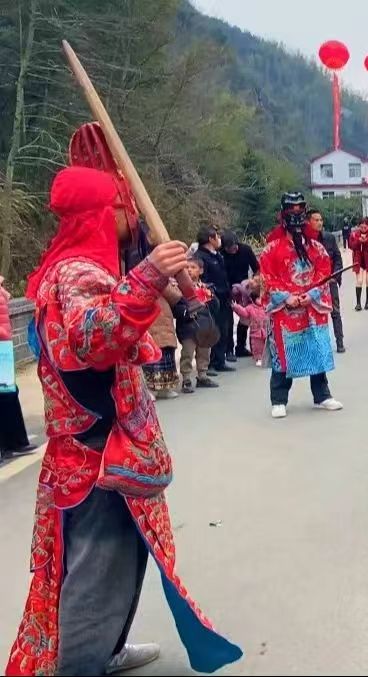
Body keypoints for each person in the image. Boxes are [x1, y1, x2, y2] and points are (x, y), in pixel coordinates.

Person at [8, 165, 241, 676]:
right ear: (98, 214)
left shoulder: (73, 268)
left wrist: (168, 287)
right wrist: (148, 276)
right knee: (99, 571)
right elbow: (92, 340)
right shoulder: (77, 273)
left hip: (96, 446)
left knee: (122, 560)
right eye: (121, 207)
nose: (131, 216)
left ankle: (107, 650)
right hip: (99, 453)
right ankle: (82, 664)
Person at [259, 192, 343, 417]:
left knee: (317, 349)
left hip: (311, 307)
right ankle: (279, 399)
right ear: (283, 214)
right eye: (291, 210)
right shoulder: (271, 249)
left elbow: (324, 272)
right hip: (286, 310)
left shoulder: (316, 247)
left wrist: (312, 294)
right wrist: (286, 297)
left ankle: (322, 395)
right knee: (283, 355)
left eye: (300, 210)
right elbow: (267, 278)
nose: (296, 215)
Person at [0, 275, 35, 458]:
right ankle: (8, 445)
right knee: (6, 395)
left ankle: (15, 442)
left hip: (3, 346)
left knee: (9, 394)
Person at [194, 225, 235, 372]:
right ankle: (209, 364)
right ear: (210, 239)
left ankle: (220, 360)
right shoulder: (200, 257)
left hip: (224, 297)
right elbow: (202, 279)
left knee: (223, 329)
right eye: (217, 236)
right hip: (211, 299)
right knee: (212, 329)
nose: (219, 239)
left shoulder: (217, 255)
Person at [176, 254, 219, 393]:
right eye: (186, 267)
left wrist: (211, 297)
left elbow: (216, 308)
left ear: (201, 270)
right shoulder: (179, 288)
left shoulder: (207, 287)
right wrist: (186, 312)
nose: (189, 270)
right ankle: (186, 378)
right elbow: (176, 306)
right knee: (187, 353)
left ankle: (202, 375)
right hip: (188, 326)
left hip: (205, 325)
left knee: (204, 352)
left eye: (193, 267)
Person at [306, 208, 346, 353]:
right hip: (313, 284)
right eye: (316, 220)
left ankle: (339, 341)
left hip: (330, 281)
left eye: (321, 220)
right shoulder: (304, 241)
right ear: (308, 222)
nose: (319, 222)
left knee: (335, 311)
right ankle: (316, 344)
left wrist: (334, 276)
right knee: (314, 314)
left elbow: (337, 258)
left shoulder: (329, 238)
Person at [220, 230, 259, 358]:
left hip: (245, 287)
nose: (234, 250)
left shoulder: (245, 250)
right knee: (228, 320)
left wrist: (254, 283)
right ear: (225, 248)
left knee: (246, 317)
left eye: (235, 247)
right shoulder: (221, 254)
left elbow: (256, 268)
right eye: (230, 249)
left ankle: (240, 347)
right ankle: (228, 349)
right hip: (227, 288)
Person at [141, 282, 181, 400]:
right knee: (150, 355)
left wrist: (169, 284)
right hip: (148, 317)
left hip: (162, 319)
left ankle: (164, 389)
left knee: (164, 354)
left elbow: (176, 296)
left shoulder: (162, 280)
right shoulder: (140, 279)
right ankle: (149, 390)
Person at [232, 290, 268, 367]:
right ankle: (258, 358)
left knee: (265, 345)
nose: (260, 300)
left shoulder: (265, 307)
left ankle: (265, 358)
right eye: (258, 298)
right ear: (253, 299)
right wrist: (236, 307)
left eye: (261, 298)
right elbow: (244, 312)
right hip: (255, 331)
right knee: (257, 346)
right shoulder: (250, 308)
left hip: (265, 330)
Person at [349, 217, 368, 311]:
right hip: (358, 260)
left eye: (365, 227)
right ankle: (358, 303)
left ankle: (367, 303)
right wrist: (358, 241)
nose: (363, 229)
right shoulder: (354, 234)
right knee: (359, 281)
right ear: (359, 226)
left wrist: (367, 241)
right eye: (361, 227)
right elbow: (351, 246)